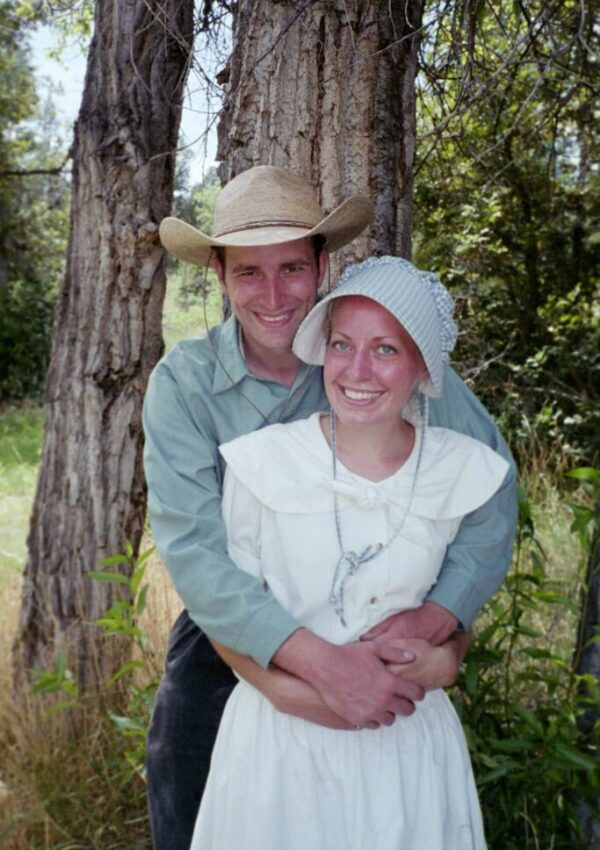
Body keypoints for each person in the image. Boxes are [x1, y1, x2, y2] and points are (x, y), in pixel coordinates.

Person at [143, 166, 517, 850]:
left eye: (291, 267)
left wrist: (442, 622)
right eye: (249, 273)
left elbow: (492, 487)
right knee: (196, 805)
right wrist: (299, 676)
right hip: (227, 632)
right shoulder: (185, 385)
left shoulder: (366, 352)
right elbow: (195, 556)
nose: (274, 295)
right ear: (220, 277)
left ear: (322, 263)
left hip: (380, 636)